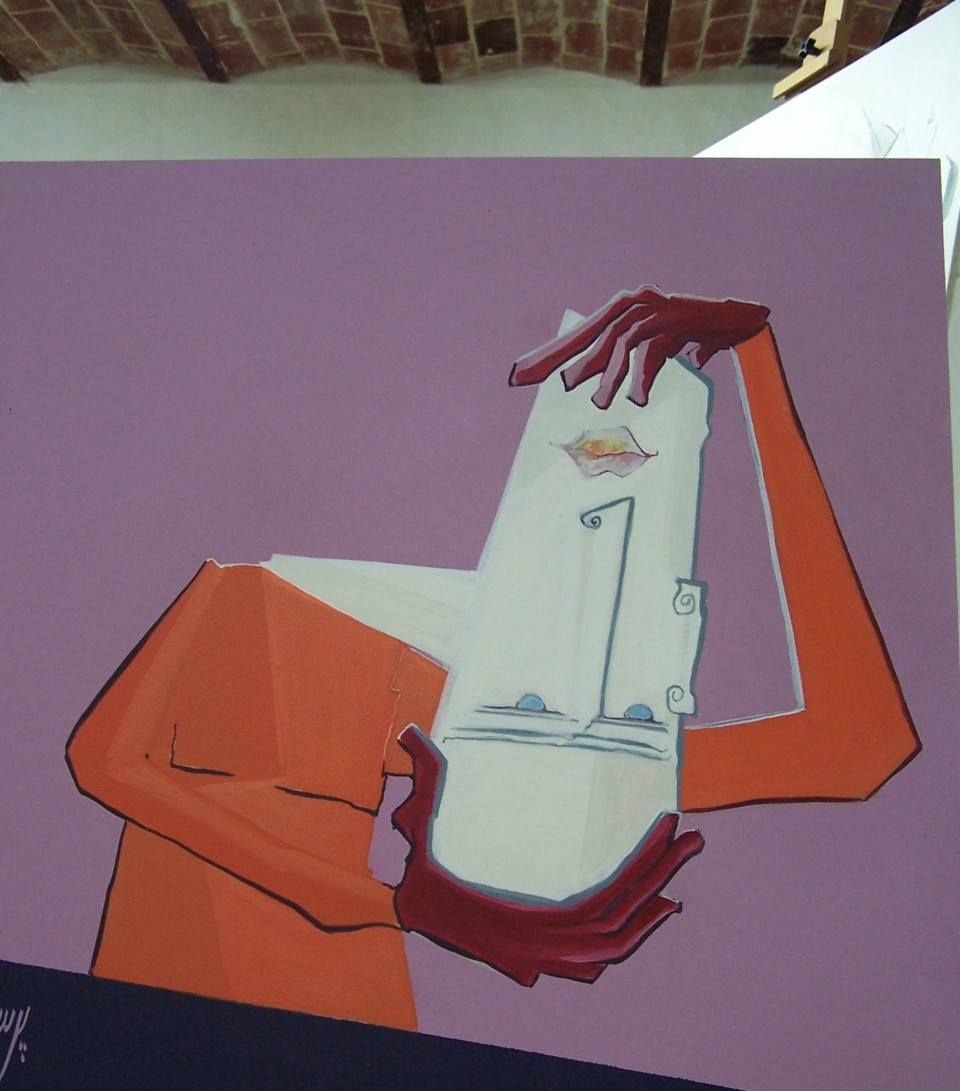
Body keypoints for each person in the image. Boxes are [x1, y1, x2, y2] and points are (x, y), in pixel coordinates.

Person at [66, 288, 919, 1030]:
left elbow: (853, 746)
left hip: (326, 1020)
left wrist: (759, 358)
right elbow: (104, 760)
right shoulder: (288, 610)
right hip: (213, 1002)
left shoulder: (487, 693)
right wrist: (394, 907)